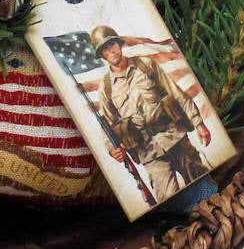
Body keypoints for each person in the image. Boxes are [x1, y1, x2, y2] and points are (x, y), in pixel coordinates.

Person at [90, 26, 210, 202]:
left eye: (112, 44)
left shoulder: (145, 65)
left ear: (119, 44)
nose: (112, 51)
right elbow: (107, 127)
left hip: (175, 137)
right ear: (102, 55)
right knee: (171, 203)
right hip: (149, 153)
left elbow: (176, 92)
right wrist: (112, 150)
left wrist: (199, 123)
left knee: (205, 188)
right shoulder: (106, 88)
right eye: (105, 49)